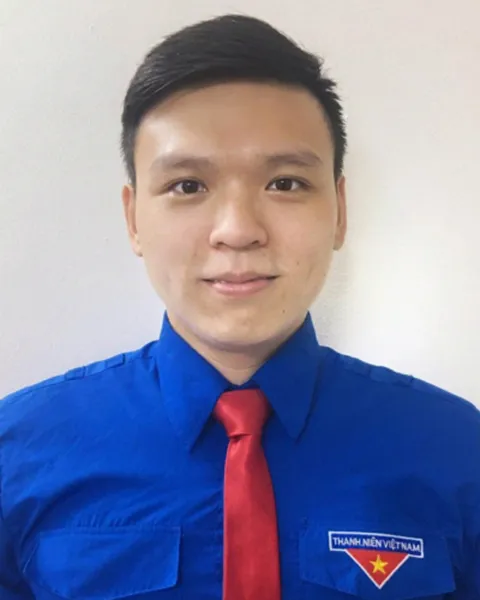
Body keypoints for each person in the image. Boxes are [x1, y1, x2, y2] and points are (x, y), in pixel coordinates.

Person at [0, 13, 478, 600]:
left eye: (285, 183)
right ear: (133, 219)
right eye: (187, 186)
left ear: (340, 211)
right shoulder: (18, 452)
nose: (237, 230)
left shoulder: (456, 449)